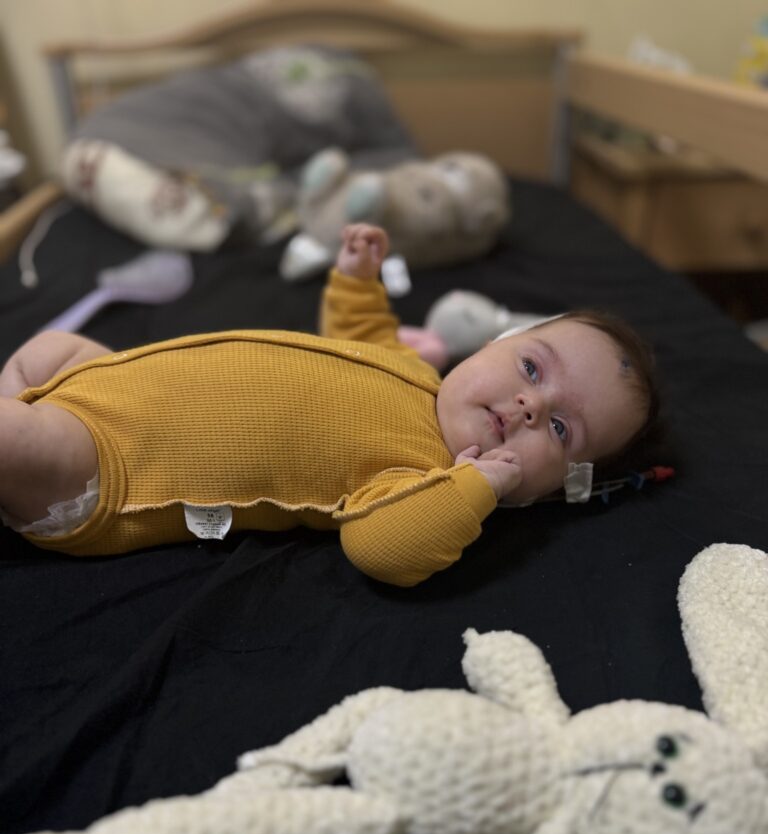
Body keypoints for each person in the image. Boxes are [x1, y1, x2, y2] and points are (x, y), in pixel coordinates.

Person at [0, 224, 658, 587]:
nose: (529, 405)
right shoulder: (416, 371)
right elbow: (361, 336)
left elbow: (384, 549)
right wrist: (357, 284)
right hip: (109, 386)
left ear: (552, 488)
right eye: (532, 368)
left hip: (109, 469)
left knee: (18, 435)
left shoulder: (424, 478)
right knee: (50, 351)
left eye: (562, 429)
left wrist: (475, 489)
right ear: (491, 345)